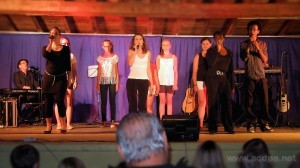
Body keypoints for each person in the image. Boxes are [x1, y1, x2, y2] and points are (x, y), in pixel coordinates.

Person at [240, 20, 274, 133]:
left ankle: (264, 124)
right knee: (249, 102)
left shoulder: (263, 44)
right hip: (249, 75)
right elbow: (244, 58)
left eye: (255, 29)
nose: (253, 31)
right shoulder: (243, 44)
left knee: (264, 101)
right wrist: (249, 46)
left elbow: (265, 60)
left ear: (258, 31)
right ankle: (251, 124)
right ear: (248, 31)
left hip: (261, 75)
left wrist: (258, 47)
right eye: (251, 29)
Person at [42, 27, 71, 134]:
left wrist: (70, 77)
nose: (53, 35)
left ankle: (63, 125)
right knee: (48, 102)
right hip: (49, 78)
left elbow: (68, 65)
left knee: (60, 101)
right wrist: (51, 42)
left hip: (61, 78)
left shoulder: (65, 49)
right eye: (51, 33)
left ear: (59, 35)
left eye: (55, 33)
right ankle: (48, 126)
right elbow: (45, 54)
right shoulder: (46, 47)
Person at [205, 31, 235, 134]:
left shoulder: (229, 52)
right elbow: (211, 64)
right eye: (217, 38)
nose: (219, 40)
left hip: (224, 79)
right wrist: (217, 51)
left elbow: (231, 70)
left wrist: (232, 84)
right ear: (214, 40)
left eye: (221, 38)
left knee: (227, 103)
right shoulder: (210, 51)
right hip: (212, 78)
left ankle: (228, 127)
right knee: (213, 103)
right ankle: (212, 128)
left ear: (224, 39)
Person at [126, 34, 154, 113]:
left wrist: (151, 83)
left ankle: (142, 122)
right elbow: (130, 64)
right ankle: (132, 123)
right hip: (132, 80)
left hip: (144, 80)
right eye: (136, 39)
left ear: (143, 41)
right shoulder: (131, 51)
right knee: (132, 104)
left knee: (142, 104)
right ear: (134, 41)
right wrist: (135, 51)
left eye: (140, 39)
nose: (138, 41)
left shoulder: (148, 52)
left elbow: (148, 68)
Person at [55, 37, 78, 130]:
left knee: (68, 102)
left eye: (68, 44)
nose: (66, 45)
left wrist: (76, 80)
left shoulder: (71, 55)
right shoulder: (55, 55)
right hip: (58, 81)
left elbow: (74, 70)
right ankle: (59, 123)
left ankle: (68, 123)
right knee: (58, 102)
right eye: (64, 44)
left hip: (69, 80)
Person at [96, 39, 119, 127]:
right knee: (103, 101)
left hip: (112, 79)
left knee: (112, 100)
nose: (107, 47)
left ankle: (112, 120)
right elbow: (99, 71)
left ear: (111, 46)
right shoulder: (100, 57)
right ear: (102, 47)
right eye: (105, 46)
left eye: (108, 46)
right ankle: (104, 120)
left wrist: (117, 83)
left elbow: (117, 70)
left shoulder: (115, 57)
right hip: (103, 80)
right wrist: (97, 83)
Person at [192, 37, 212, 128]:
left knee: (210, 102)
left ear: (210, 45)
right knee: (202, 102)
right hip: (200, 81)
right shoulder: (197, 56)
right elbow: (195, 71)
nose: (205, 45)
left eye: (207, 44)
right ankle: (200, 123)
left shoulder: (213, 55)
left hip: (211, 81)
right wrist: (195, 84)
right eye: (203, 44)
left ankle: (211, 122)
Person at [156, 39, 178, 120]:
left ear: (170, 46)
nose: (165, 47)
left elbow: (175, 71)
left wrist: (175, 83)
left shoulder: (173, 57)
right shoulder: (158, 57)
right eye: (164, 45)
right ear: (161, 46)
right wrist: (156, 83)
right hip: (161, 82)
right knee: (162, 101)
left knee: (169, 101)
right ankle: (162, 120)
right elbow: (156, 70)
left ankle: (169, 120)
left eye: (167, 45)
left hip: (170, 82)